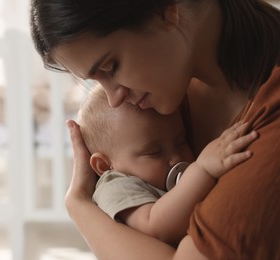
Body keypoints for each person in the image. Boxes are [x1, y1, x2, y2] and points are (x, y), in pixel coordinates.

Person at [30, 0, 280, 259]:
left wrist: (80, 207)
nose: (114, 100)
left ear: (165, 11)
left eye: (111, 67)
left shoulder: (270, 128)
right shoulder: (162, 104)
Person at [78, 85, 257, 247]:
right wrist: (201, 170)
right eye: (154, 152)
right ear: (104, 165)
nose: (175, 158)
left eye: (181, 141)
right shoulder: (115, 185)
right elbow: (157, 227)